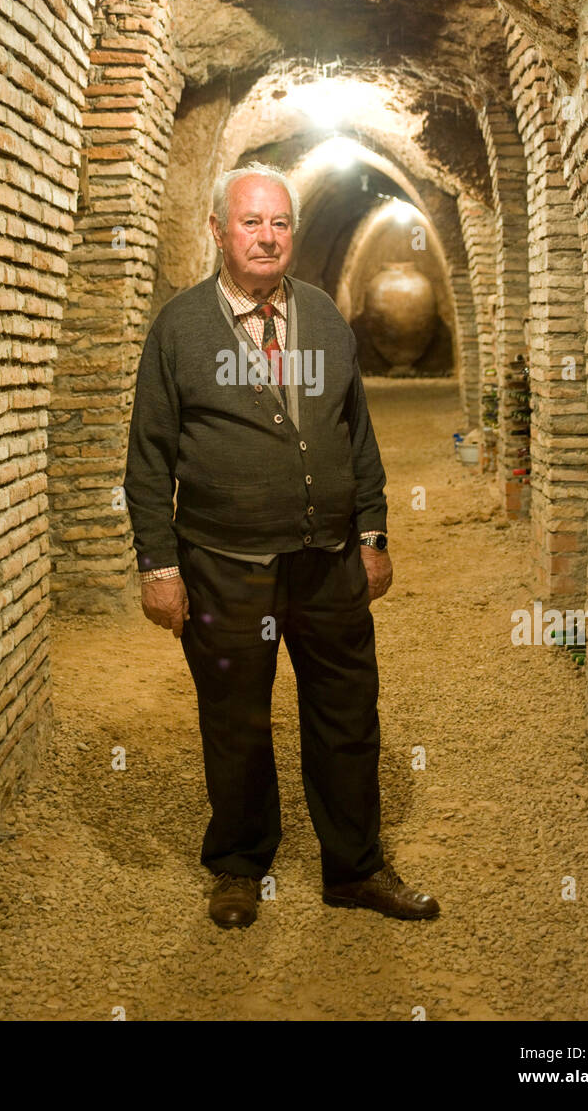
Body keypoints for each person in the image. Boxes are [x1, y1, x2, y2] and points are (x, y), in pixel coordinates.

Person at [124, 163, 440, 929]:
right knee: (235, 718)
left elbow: (356, 435)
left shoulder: (325, 318)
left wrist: (371, 533)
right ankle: (238, 865)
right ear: (217, 231)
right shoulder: (180, 327)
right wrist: (159, 566)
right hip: (224, 568)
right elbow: (148, 457)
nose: (266, 238)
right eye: (250, 223)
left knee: (346, 711)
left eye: (279, 224)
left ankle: (355, 867)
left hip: (326, 560)